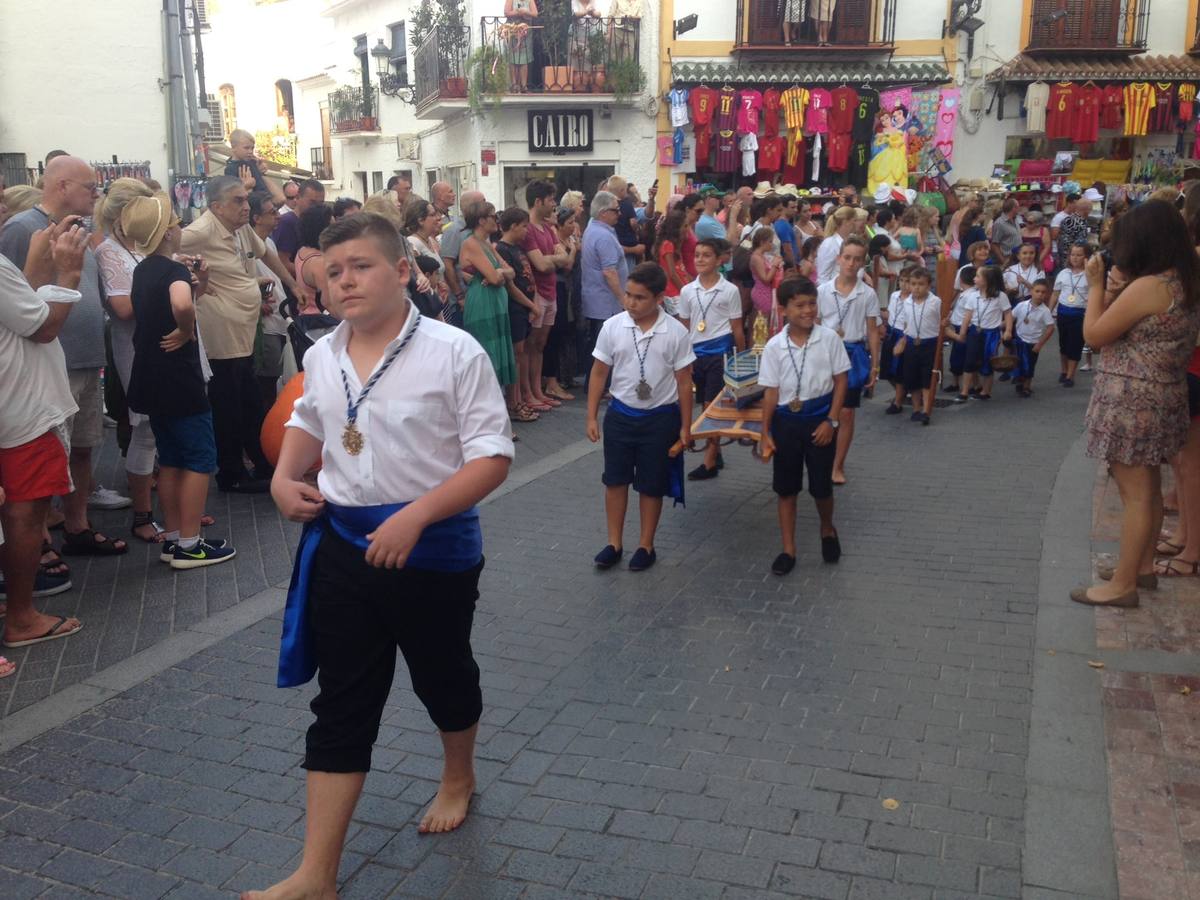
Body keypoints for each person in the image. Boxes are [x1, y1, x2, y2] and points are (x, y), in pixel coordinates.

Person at [245, 213, 513, 900]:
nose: (345, 281)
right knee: (342, 701)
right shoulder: (321, 354)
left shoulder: (454, 352)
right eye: (333, 272)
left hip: (434, 548)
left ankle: (458, 775)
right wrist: (283, 478)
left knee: (442, 675)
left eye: (360, 266)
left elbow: (492, 456)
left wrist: (417, 515)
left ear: (401, 272)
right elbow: (308, 423)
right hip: (341, 547)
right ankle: (316, 876)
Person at [0, 155, 132, 557]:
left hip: (84, 356)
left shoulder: (80, 229)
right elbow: (20, 293)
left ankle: (77, 526)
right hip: (48, 361)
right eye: (89, 187)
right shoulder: (23, 229)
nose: (97, 193)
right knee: (43, 459)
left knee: (84, 446)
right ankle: (37, 542)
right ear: (61, 187)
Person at [1072, 199, 1200, 608]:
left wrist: (1095, 288)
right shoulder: (1182, 280)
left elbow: (1094, 334)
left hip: (1132, 398)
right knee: (1148, 490)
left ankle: (1123, 584)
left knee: (1138, 494)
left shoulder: (1152, 287)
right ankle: (1140, 567)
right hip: (1162, 394)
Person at [122, 194, 235, 569]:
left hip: (150, 376)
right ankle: (190, 543)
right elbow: (182, 304)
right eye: (174, 221)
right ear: (166, 232)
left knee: (169, 458)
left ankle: (172, 537)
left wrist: (196, 282)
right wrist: (186, 329)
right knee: (200, 459)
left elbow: (172, 299)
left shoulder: (142, 268)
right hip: (179, 379)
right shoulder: (172, 272)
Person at [0, 222, 89, 654]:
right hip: (22, 413)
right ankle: (21, 616)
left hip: (15, 411)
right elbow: (42, 326)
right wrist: (68, 273)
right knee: (25, 515)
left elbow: (17, 313)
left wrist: (32, 271)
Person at [181, 175, 300, 493]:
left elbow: (266, 255)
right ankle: (231, 472)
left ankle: (258, 463)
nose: (246, 206)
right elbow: (162, 253)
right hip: (220, 329)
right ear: (217, 206)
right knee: (228, 402)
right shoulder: (198, 232)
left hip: (245, 327)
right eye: (238, 201)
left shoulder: (242, 229)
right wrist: (196, 288)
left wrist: (292, 284)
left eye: (246, 200)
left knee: (248, 400)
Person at [586, 263, 693, 573]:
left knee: (650, 484)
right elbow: (599, 372)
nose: (631, 303)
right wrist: (591, 416)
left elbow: (684, 381)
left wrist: (686, 426)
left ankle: (646, 544)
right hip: (620, 415)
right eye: (629, 295)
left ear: (659, 298)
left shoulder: (675, 332)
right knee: (615, 480)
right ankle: (614, 543)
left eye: (640, 298)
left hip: (660, 418)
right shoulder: (613, 326)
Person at [94, 177, 171, 543]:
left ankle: (175, 509)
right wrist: (168, 290)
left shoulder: (142, 245)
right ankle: (142, 514)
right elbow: (122, 308)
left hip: (163, 345)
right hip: (138, 348)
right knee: (145, 429)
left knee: (166, 427)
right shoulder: (109, 251)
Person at [759, 277, 847, 576]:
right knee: (786, 489)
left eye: (812, 303)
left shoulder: (829, 339)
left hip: (820, 420)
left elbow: (841, 381)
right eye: (800, 305)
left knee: (821, 487)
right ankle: (788, 548)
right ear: (783, 309)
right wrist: (765, 432)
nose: (808, 310)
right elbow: (771, 392)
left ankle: (827, 528)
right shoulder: (774, 346)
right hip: (786, 423)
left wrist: (831, 421)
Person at [679, 239, 746, 480]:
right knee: (703, 404)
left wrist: (741, 359)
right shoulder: (688, 291)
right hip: (697, 353)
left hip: (720, 351)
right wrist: (683, 357)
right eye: (697, 254)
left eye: (706, 255)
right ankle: (715, 450)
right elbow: (684, 327)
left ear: (719, 260)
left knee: (711, 406)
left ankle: (709, 462)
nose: (699, 259)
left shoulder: (729, 290)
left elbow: (737, 327)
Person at [816, 236, 878, 485]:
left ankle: (837, 464)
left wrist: (875, 365)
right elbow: (816, 324)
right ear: (839, 258)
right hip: (825, 353)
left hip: (853, 354)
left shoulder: (868, 293)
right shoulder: (823, 290)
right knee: (823, 408)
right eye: (847, 258)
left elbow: (872, 330)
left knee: (847, 413)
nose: (851, 264)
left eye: (857, 259)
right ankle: (822, 457)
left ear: (863, 263)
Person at [521, 181, 569, 411]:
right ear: (538, 201)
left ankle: (538, 390)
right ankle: (528, 392)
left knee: (541, 345)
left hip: (550, 292)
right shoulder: (528, 229)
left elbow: (565, 258)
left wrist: (550, 259)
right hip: (537, 293)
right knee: (531, 345)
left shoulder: (549, 229)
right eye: (550, 200)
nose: (553, 204)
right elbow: (540, 264)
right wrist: (552, 259)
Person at [458, 202, 516, 390]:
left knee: (497, 348)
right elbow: (495, 277)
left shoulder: (487, 243)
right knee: (487, 349)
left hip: (495, 301)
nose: (497, 220)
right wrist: (497, 274)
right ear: (481, 220)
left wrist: (498, 273)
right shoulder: (471, 243)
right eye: (494, 216)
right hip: (482, 302)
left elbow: (510, 272)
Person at [493, 207, 540, 423]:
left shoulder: (518, 248)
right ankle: (515, 400)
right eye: (524, 226)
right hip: (515, 307)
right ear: (512, 226)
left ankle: (522, 397)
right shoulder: (502, 249)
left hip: (525, 306)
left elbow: (528, 278)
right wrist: (531, 304)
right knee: (516, 353)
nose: (527, 231)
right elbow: (512, 286)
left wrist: (533, 301)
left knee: (522, 353)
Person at [247, 191, 291, 407]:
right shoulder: (246, 249)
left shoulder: (269, 244)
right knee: (267, 381)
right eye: (272, 212)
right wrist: (257, 301)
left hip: (280, 321)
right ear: (257, 218)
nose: (278, 216)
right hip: (265, 327)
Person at [580, 191, 629, 376]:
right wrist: (623, 299)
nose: (620, 214)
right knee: (605, 348)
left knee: (599, 345)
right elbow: (609, 272)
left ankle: (596, 384)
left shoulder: (594, 228)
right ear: (603, 213)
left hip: (598, 299)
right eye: (616, 210)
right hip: (605, 302)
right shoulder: (603, 236)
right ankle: (602, 386)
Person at [890, 266, 941, 425]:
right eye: (913, 284)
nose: (916, 287)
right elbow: (906, 323)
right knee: (912, 378)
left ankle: (926, 410)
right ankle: (916, 408)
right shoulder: (906, 302)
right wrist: (903, 340)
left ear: (929, 285)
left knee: (927, 378)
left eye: (921, 284)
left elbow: (942, 321)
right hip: (912, 343)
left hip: (929, 343)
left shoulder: (935, 302)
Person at [955, 266, 1012, 402]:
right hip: (975, 331)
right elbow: (967, 315)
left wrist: (1008, 330)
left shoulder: (1000, 296)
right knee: (969, 360)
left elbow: (1008, 313)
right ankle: (964, 391)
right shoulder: (973, 296)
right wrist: (963, 332)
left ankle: (986, 391)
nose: (974, 278)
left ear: (987, 280)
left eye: (978, 276)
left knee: (988, 361)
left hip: (991, 334)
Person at [545, 206, 580, 401]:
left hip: (569, 288)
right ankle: (553, 379)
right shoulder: (557, 239)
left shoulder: (569, 238)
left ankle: (565, 375)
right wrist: (573, 250)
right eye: (570, 222)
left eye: (574, 222)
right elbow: (566, 265)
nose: (574, 226)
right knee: (557, 331)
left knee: (567, 331)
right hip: (558, 287)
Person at [439, 190, 485, 324]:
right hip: (464, 300)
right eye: (483, 202)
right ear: (473, 207)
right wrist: (459, 296)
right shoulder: (455, 230)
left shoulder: (479, 229)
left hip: (480, 297)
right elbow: (447, 265)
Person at [1052, 241, 1088, 387]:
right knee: (1063, 343)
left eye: (1079, 255)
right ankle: (1064, 369)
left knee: (1075, 344)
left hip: (1079, 314)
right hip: (1063, 312)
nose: (1075, 258)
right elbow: (1055, 294)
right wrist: (1049, 311)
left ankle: (1070, 375)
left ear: (1086, 257)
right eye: (1073, 254)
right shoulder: (1063, 273)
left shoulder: (1089, 275)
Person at [1011, 279, 1055, 398]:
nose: (1040, 294)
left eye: (1043, 292)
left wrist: (1039, 344)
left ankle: (1027, 386)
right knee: (1018, 362)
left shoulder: (1045, 311)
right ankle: (1019, 380)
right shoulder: (1021, 305)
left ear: (1046, 295)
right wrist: (1001, 326)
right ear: (1031, 291)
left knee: (1029, 365)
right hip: (1019, 339)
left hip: (1032, 343)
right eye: (1037, 291)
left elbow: (1051, 328)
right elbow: (1011, 317)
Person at [271, 178, 325, 269]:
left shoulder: (318, 222)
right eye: (312, 202)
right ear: (298, 197)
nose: (317, 207)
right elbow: (283, 262)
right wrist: (308, 274)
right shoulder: (287, 222)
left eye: (321, 204)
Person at [225, 129, 287, 207]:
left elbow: (280, 199)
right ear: (234, 148)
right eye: (246, 148)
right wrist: (245, 186)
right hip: (255, 206)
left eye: (252, 148)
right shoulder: (231, 168)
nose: (250, 151)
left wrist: (261, 172)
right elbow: (232, 194)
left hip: (266, 200)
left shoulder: (252, 162)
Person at [882, 266, 912, 413]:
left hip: (902, 334)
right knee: (887, 368)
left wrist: (904, 339)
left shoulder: (913, 300)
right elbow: (890, 312)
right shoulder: (895, 295)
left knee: (898, 369)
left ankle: (898, 402)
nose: (904, 284)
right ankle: (902, 390)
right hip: (891, 332)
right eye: (902, 280)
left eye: (908, 281)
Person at [944, 265, 976, 395]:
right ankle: (957, 382)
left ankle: (965, 384)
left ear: (961, 280)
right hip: (958, 326)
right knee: (958, 357)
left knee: (961, 357)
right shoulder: (966, 294)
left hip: (964, 329)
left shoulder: (970, 295)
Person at [654, 208, 690, 316]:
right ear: (676, 228)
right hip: (674, 293)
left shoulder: (675, 244)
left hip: (680, 290)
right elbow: (672, 273)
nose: (687, 229)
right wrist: (684, 291)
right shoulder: (667, 244)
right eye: (685, 226)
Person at [748, 226, 782, 332]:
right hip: (762, 293)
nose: (772, 244)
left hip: (768, 292)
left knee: (766, 324)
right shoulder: (756, 257)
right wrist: (775, 265)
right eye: (770, 241)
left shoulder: (761, 256)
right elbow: (765, 279)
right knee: (762, 326)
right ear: (763, 242)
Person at [606, 175, 645, 265]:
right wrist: (636, 229)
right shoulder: (627, 203)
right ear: (622, 190)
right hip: (628, 241)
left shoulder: (608, 203)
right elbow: (633, 222)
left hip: (615, 239)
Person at [815, 206, 856, 285]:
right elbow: (823, 275)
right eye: (854, 220)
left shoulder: (851, 239)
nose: (855, 223)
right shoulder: (829, 244)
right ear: (846, 222)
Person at [503, 0, 537, 93]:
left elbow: (535, 13)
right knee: (513, 58)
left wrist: (526, 12)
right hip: (513, 31)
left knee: (524, 59)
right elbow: (506, 12)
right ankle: (514, 84)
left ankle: (523, 85)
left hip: (525, 33)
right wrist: (518, 12)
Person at [1056, 196, 1092, 268]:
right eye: (1090, 209)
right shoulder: (1081, 224)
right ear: (1086, 210)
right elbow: (1081, 245)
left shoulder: (1067, 219)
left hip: (1063, 257)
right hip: (1074, 261)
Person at [990, 198, 1022, 264]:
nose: (1019, 208)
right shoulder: (999, 223)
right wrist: (1003, 261)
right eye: (1018, 206)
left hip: (1018, 257)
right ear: (1014, 208)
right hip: (1008, 258)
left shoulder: (1015, 219)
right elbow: (994, 244)